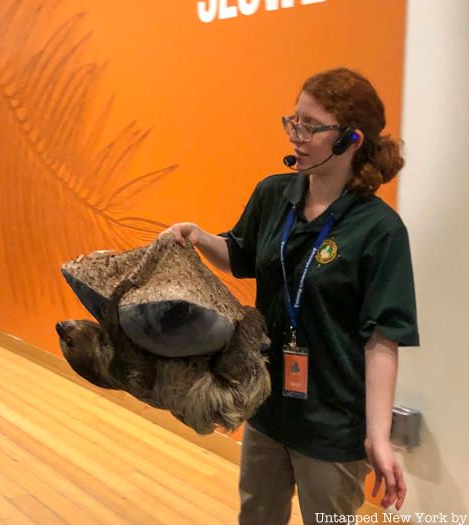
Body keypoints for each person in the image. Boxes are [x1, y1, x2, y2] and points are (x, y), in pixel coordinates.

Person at [168, 67, 419, 524]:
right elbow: (241, 256)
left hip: (331, 425)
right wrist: (201, 237)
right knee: (257, 516)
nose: (296, 136)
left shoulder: (380, 230)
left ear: (350, 140)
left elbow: (383, 338)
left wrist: (378, 437)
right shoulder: (273, 193)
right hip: (266, 406)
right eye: (293, 122)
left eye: (310, 126)